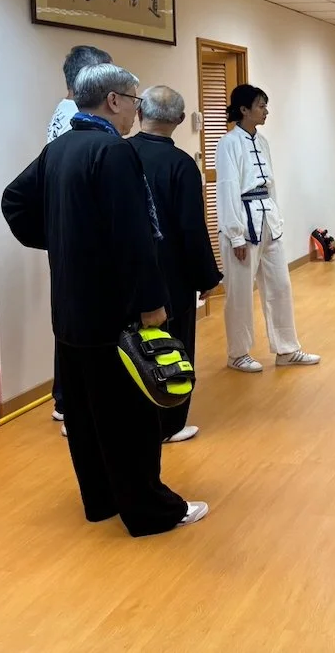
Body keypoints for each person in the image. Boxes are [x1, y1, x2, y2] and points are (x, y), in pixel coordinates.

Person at [2, 63, 207, 536]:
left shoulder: (59, 148)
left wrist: (63, 240)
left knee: (87, 413)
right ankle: (151, 511)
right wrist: (151, 302)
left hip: (70, 307)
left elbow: (14, 201)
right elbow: (133, 236)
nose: (136, 110)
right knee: (131, 416)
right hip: (114, 310)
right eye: (134, 100)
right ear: (113, 100)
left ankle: (101, 500)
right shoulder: (113, 151)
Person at [128, 86, 223, 442]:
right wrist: (206, 277)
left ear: (140, 113)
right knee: (173, 346)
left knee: (130, 348)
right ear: (181, 120)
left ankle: (131, 421)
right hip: (172, 276)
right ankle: (169, 424)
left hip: (126, 275)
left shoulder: (119, 153)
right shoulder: (181, 164)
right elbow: (191, 227)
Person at [217, 84, 320, 372]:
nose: (266, 111)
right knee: (239, 292)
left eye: (265, 105)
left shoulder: (262, 141)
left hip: (268, 219)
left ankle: (286, 349)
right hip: (242, 222)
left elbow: (270, 184)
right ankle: (238, 353)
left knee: (280, 286)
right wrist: (235, 235)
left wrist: (278, 218)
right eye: (261, 106)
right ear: (244, 109)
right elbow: (227, 188)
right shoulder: (228, 143)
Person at [45, 44, 112, 434]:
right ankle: (73, 404)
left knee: (69, 318)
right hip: (80, 235)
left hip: (66, 232)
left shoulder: (63, 111)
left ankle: (66, 399)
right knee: (80, 322)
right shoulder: (78, 120)